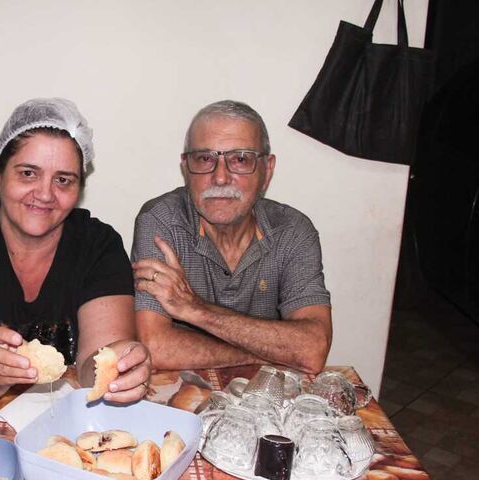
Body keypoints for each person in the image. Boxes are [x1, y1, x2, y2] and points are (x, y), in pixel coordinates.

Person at [0, 98, 152, 403]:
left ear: (79, 188)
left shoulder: (99, 245)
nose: (44, 194)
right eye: (28, 173)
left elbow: (94, 365)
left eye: (63, 180)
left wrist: (117, 368)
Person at [131, 100, 332, 374]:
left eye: (240, 159)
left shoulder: (293, 231)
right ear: (186, 168)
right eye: (204, 159)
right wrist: (271, 352)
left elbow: (312, 349)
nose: (221, 177)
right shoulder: (161, 221)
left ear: (267, 170)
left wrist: (196, 309)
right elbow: (155, 347)